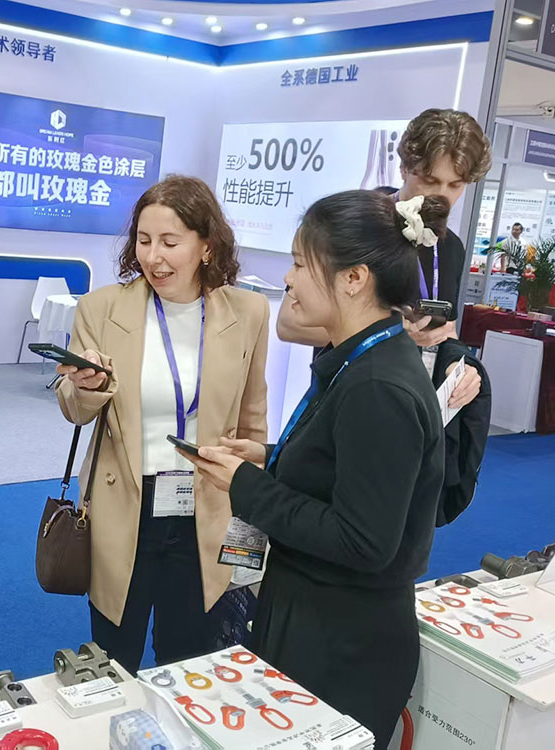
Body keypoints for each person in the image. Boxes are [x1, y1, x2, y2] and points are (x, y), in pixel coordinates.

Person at [182, 190, 447, 750]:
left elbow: (363, 541)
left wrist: (248, 487)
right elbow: (346, 469)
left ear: (353, 279)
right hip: (317, 619)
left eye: (301, 264)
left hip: (343, 646)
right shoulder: (360, 359)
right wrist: (272, 457)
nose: (288, 279)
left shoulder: (379, 386)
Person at [55, 175, 269, 676]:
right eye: (144, 240)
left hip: (207, 507)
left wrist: (252, 510)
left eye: (170, 243)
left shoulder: (248, 312)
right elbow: (74, 409)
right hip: (125, 505)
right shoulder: (102, 309)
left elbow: (252, 420)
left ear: (207, 246)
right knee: (113, 658)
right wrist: (85, 386)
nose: (154, 257)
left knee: (189, 660)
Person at [276, 108, 491, 412]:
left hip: (415, 406)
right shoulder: (356, 227)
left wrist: (460, 365)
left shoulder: (450, 247)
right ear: (404, 168)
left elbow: (446, 332)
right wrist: (393, 333)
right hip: (351, 399)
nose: (442, 196)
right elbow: (288, 324)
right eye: (430, 180)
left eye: (456, 185)